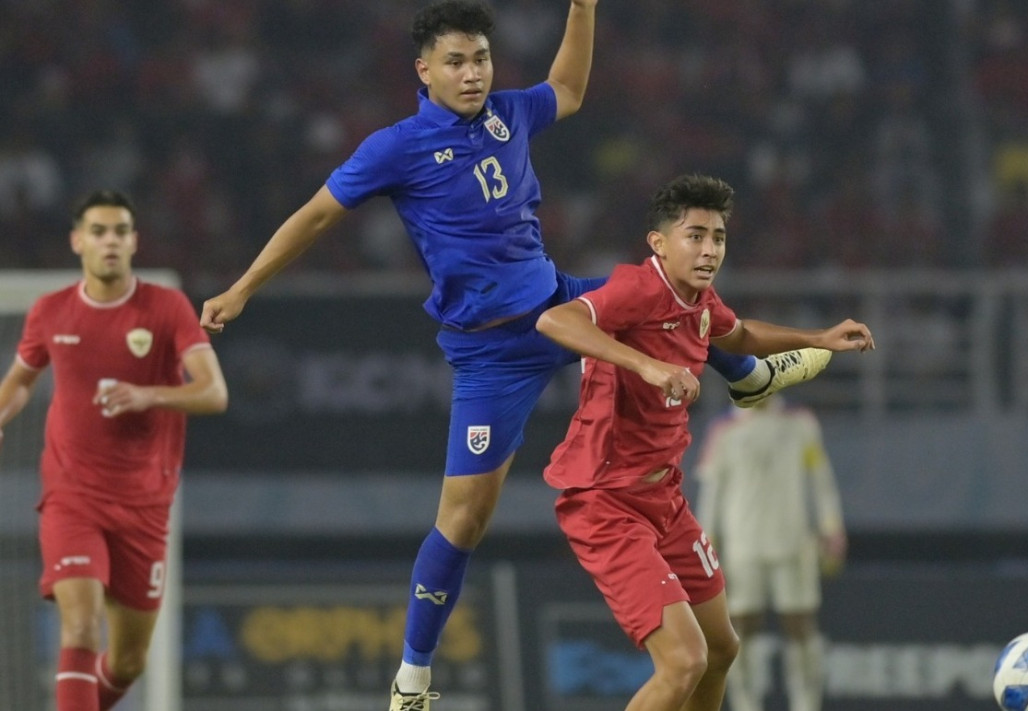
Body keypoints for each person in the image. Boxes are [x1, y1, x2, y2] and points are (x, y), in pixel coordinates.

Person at [198, 3, 829, 708]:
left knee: (668, 284)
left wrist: (582, 9)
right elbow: (316, 214)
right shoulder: (396, 147)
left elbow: (569, 88)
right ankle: (412, 678)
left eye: (482, 59)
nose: (473, 74)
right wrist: (243, 287)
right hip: (491, 352)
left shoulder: (507, 114)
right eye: (457, 63)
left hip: (555, 303)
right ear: (424, 71)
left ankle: (744, 375)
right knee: (465, 516)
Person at [535, 173, 874, 711]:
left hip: (665, 501)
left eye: (718, 237)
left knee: (721, 647)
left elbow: (736, 334)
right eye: (695, 235)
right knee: (684, 660)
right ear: (659, 243)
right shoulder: (638, 289)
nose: (709, 248)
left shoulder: (698, 300)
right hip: (607, 504)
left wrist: (816, 338)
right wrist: (647, 366)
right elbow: (555, 320)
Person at [0, 190, 229, 711]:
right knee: (79, 626)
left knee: (128, 662)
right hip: (72, 497)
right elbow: (18, 381)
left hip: (144, 505)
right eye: (99, 231)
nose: (110, 241)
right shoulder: (51, 311)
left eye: (121, 231)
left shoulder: (165, 308)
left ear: (133, 242)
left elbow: (214, 392)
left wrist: (149, 394)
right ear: (78, 241)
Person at [696, 395, 846, 711]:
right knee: (740, 629)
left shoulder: (800, 423)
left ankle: (807, 704)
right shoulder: (724, 429)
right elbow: (712, 493)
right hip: (743, 547)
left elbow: (821, 480)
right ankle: (746, 704)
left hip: (793, 543)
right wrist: (708, 542)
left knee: (800, 624)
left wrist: (831, 525)